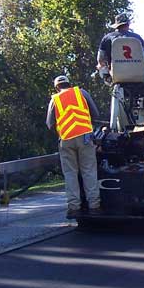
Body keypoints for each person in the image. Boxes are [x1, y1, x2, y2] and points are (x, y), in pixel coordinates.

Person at [46, 75, 101, 219]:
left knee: (70, 173)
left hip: (66, 140)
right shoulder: (82, 93)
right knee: (88, 170)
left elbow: (49, 124)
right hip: (85, 137)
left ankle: (74, 207)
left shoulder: (55, 99)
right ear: (69, 84)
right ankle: (94, 206)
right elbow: (95, 114)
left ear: (57, 87)